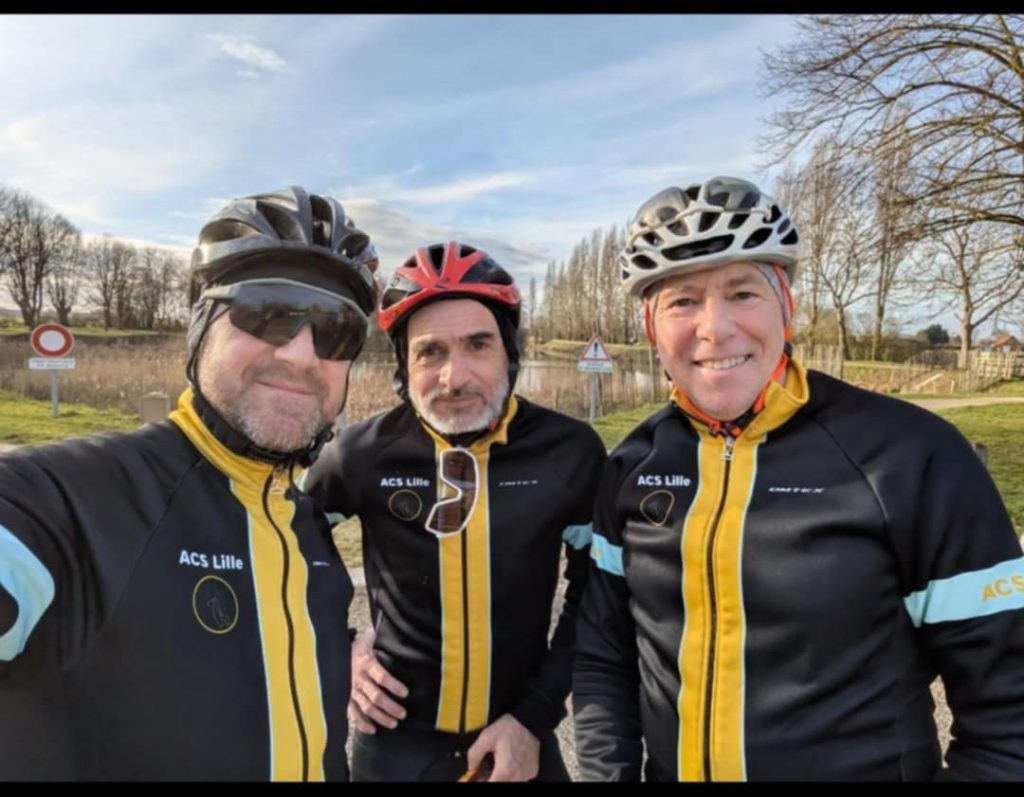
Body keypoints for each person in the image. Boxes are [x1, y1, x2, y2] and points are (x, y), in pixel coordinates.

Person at [572, 175, 1024, 781]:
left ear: (786, 307)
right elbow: (604, 660)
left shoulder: (910, 457)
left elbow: (1007, 709)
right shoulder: (634, 464)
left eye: (742, 292)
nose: (714, 328)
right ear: (652, 328)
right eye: (682, 301)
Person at [0, 186, 379, 780]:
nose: (303, 355)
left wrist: (343, 649)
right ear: (200, 326)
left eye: (336, 331)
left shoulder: (305, 525)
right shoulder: (72, 502)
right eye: (268, 312)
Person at [302, 241, 607, 782]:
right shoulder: (359, 455)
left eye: (478, 345)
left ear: (509, 352)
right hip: (394, 743)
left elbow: (598, 593)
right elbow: (284, 553)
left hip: (521, 738)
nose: (455, 377)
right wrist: (340, 649)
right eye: (430, 352)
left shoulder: (569, 452)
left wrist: (534, 717)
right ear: (404, 365)